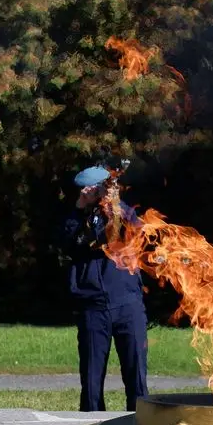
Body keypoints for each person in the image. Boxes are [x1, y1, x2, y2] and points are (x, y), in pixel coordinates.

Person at [62, 165, 149, 412]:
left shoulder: (125, 212)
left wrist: (114, 204)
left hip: (127, 303)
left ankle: (140, 423)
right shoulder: (75, 218)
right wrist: (80, 207)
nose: (93, 193)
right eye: (87, 190)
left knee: (136, 374)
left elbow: (134, 231)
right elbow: (69, 243)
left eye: (97, 188)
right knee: (91, 379)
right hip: (92, 305)